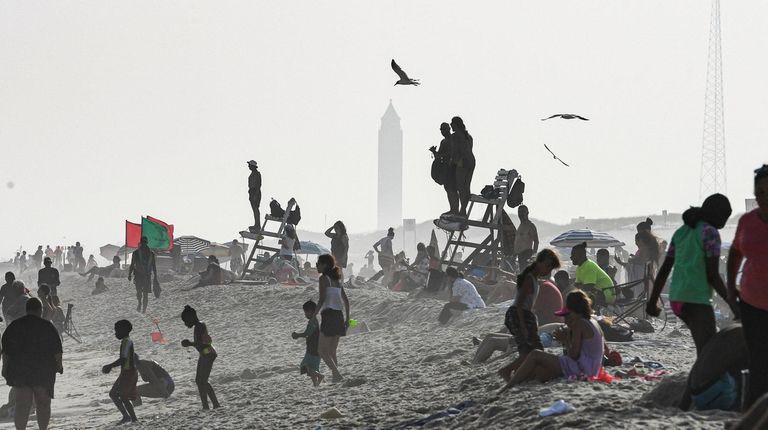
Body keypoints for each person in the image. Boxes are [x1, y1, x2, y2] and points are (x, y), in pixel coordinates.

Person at [647, 193, 736, 355]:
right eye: (724, 216)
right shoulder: (710, 233)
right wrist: (732, 303)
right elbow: (713, 275)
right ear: (716, 213)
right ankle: (702, 380)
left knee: (704, 347)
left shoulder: (682, 232)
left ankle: (700, 377)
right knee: (709, 351)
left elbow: (665, 269)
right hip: (696, 298)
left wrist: (652, 301)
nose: (724, 223)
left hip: (677, 299)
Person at [500, 290, 605, 390]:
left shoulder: (579, 323)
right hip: (592, 369)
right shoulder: (592, 321)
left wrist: (565, 339)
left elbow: (573, 355)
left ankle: (508, 386)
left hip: (582, 369)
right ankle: (513, 379)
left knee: (535, 354)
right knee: (539, 372)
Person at [727, 165, 768, 408]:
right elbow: (735, 253)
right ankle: (752, 410)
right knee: (758, 359)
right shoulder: (748, 221)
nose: (764, 198)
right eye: (760, 192)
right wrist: (731, 288)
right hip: (751, 301)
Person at [498, 250, 561, 380]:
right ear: (539, 262)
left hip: (524, 315)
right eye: (547, 266)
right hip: (518, 315)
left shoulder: (533, 278)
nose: (548, 271)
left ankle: (519, 372)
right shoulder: (529, 278)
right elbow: (520, 304)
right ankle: (508, 370)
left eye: (551, 268)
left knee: (532, 350)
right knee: (531, 351)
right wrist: (523, 326)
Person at [2, 298, 63, 430]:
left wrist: (4, 368)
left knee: (22, 404)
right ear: (40, 310)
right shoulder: (47, 326)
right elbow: (57, 351)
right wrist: (59, 366)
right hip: (43, 371)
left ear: (26, 310)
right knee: (43, 403)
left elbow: (6, 351)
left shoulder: (15, 326)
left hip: (20, 371)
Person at [313, 254, 350, 383]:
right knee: (332, 350)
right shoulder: (337, 280)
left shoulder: (323, 279)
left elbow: (322, 299)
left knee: (322, 351)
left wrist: (314, 315)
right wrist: (348, 319)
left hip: (329, 315)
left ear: (325, 265)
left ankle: (337, 373)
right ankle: (335, 377)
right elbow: (346, 301)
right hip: (339, 315)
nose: (316, 266)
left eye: (318, 264)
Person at [181, 305, 220, 409]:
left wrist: (189, 343)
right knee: (199, 381)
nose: (185, 324)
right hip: (204, 354)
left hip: (208, 353)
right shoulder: (198, 326)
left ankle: (215, 404)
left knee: (203, 380)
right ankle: (205, 405)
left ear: (191, 317)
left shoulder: (200, 325)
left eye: (185, 321)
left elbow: (200, 342)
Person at [102, 319, 138, 424]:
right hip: (126, 372)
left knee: (121, 395)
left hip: (129, 372)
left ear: (124, 330)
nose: (115, 333)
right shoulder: (126, 341)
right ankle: (128, 417)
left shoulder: (127, 341)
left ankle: (132, 418)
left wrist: (110, 366)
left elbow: (123, 359)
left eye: (117, 331)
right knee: (116, 394)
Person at [570, 242, 615, 307]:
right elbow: (577, 285)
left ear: (582, 255)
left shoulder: (589, 266)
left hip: (606, 295)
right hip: (598, 293)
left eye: (573, 255)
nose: (571, 258)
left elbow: (588, 287)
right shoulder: (579, 268)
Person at [292, 300, 324, 386]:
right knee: (312, 368)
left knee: (304, 366)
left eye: (307, 312)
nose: (305, 314)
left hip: (313, 348)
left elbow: (307, 333)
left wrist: (297, 335)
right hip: (316, 347)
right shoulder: (315, 321)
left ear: (313, 311)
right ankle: (315, 384)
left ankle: (320, 376)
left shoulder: (312, 321)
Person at [450, 116, 475, 217]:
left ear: (456, 125)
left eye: (452, 123)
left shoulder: (455, 136)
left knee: (460, 187)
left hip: (462, 162)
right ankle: (464, 209)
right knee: (466, 186)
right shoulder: (468, 136)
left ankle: (463, 211)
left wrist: (453, 161)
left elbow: (455, 152)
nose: (451, 125)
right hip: (471, 161)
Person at [433, 122, 459, 214]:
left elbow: (452, 153)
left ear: (449, 129)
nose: (443, 132)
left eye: (444, 129)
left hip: (453, 169)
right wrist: (434, 152)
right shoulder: (443, 142)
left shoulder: (453, 140)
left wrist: (442, 155)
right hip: (446, 170)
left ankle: (455, 210)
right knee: (448, 189)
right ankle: (453, 209)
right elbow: (439, 155)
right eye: (441, 130)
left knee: (453, 190)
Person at [128, 237, 158, 313]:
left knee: (144, 293)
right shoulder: (136, 253)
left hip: (145, 276)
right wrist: (129, 274)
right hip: (140, 275)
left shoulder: (151, 254)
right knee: (140, 292)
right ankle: (140, 304)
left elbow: (154, 266)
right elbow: (132, 264)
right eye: (143, 242)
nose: (144, 244)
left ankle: (143, 309)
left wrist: (155, 276)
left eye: (144, 242)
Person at [513, 205, 539, 270]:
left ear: (527, 213)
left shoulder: (530, 226)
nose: (521, 214)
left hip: (527, 254)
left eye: (523, 211)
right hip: (520, 255)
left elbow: (536, 241)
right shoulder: (520, 226)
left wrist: (533, 256)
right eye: (519, 212)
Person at [247, 160, 262, 233]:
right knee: (254, 209)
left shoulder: (257, 174)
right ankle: (256, 224)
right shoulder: (253, 173)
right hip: (252, 192)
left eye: (249, 165)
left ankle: (258, 225)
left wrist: (255, 195)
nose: (248, 166)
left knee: (256, 209)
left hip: (255, 192)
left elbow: (258, 185)